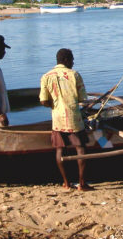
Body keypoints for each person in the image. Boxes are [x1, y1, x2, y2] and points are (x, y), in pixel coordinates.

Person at [40, 48, 93, 191]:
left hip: (57, 120)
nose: (73, 62)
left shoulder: (46, 76)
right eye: (72, 59)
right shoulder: (74, 75)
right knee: (81, 149)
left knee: (59, 150)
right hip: (74, 119)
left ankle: (66, 183)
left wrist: (55, 105)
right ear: (66, 60)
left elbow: (43, 101)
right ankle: (82, 184)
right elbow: (83, 99)